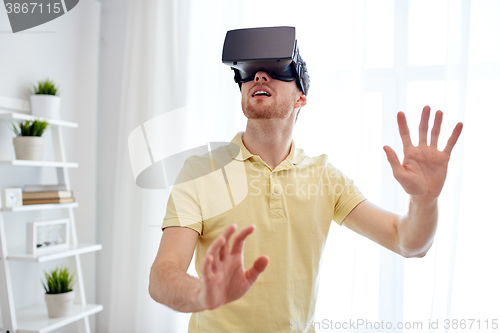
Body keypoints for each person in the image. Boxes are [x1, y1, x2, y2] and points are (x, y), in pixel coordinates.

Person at [148, 36, 463, 333]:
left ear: (301, 98)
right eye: (248, 73)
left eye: (277, 70)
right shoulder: (201, 171)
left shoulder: (325, 177)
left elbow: (408, 242)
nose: (259, 76)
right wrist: (204, 294)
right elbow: (162, 276)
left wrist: (425, 201)